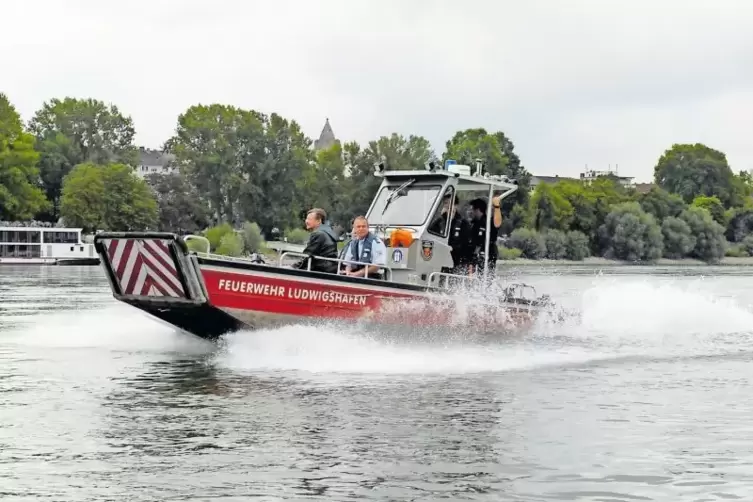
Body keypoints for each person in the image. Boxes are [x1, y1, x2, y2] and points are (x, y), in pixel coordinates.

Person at [429, 193, 473, 274]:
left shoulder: (463, 223)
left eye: (450, 203)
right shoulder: (439, 222)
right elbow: (429, 233)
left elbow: (467, 244)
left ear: (455, 205)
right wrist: (441, 217)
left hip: (457, 261)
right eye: (446, 203)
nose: (448, 206)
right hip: (441, 260)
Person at [292, 208, 339, 274]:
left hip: (321, 270)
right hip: (330, 269)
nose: (306, 221)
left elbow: (308, 254)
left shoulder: (318, 234)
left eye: (309, 219)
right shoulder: (328, 233)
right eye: (306, 219)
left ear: (319, 221)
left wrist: (293, 267)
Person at [468, 195, 503, 281]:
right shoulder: (472, 224)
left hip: (488, 255)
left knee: (486, 278)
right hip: (474, 256)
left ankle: (486, 289)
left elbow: (497, 223)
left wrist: (496, 206)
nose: (470, 212)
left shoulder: (489, 222)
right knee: (472, 279)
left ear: (478, 210)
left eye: (472, 209)